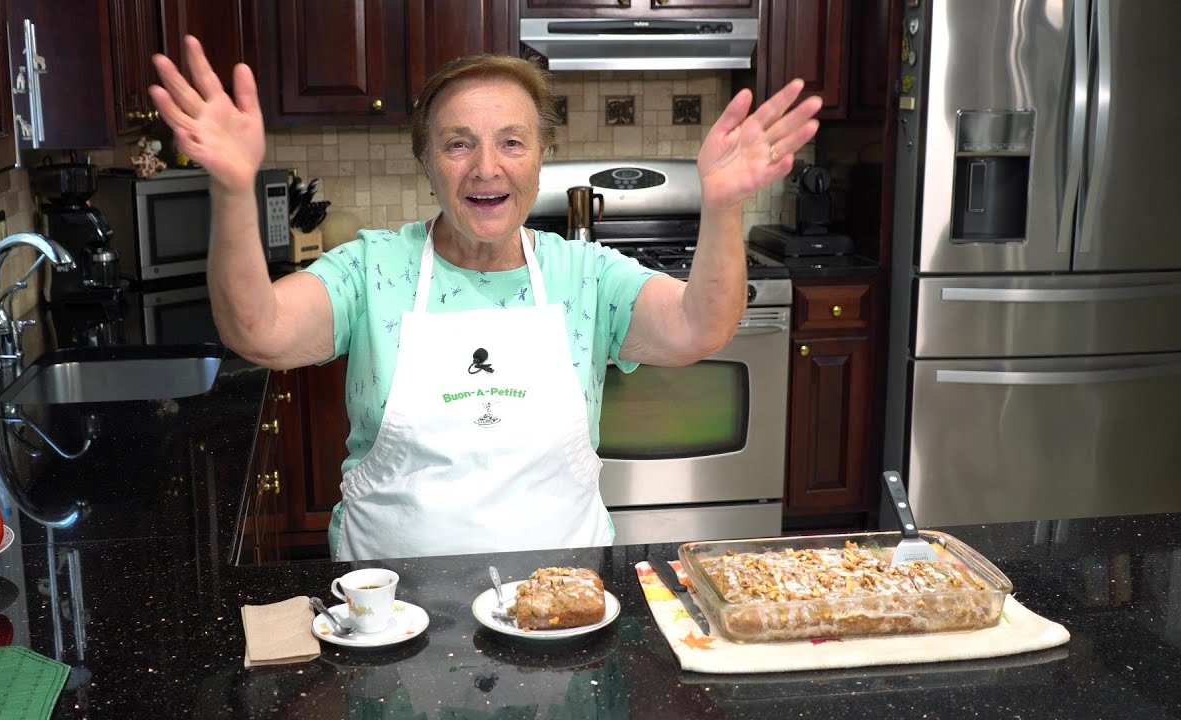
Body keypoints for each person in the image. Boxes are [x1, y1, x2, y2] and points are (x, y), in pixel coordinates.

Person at [150, 36, 821, 561]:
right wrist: (233, 191)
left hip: (566, 611)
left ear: (539, 158)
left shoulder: (583, 275)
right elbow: (256, 331)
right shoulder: (371, 269)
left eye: (511, 142)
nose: (485, 167)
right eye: (457, 144)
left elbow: (699, 329)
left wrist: (724, 207)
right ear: (426, 160)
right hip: (393, 616)